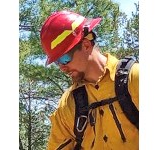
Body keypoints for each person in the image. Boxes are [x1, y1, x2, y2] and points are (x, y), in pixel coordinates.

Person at [40, 10, 139, 150]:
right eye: (57, 62)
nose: (62, 67)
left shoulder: (134, 79)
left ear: (86, 45)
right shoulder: (68, 104)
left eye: (64, 59)